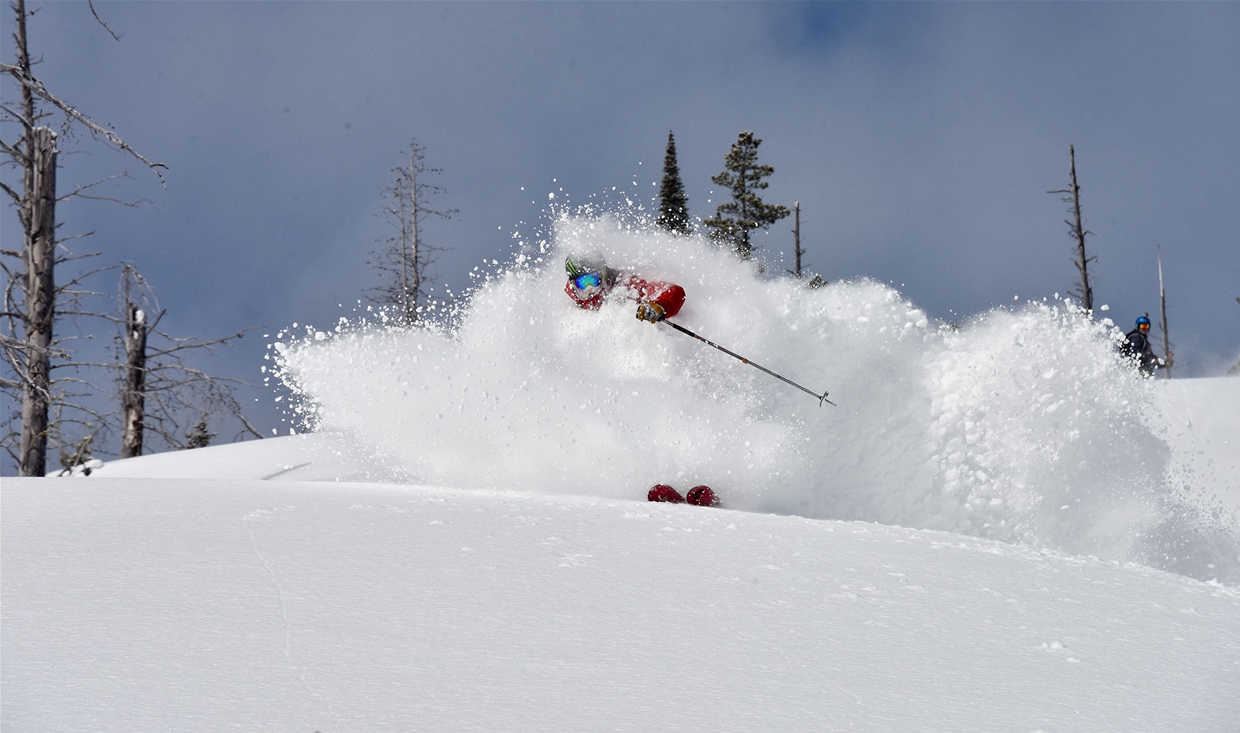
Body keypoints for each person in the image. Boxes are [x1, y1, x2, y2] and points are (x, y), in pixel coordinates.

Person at [564, 256, 685, 323]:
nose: (589, 287)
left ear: (603, 274)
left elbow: (675, 291)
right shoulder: (576, 294)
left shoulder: (625, 283)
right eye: (582, 283)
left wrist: (660, 305)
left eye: (593, 279)